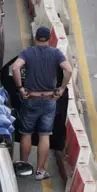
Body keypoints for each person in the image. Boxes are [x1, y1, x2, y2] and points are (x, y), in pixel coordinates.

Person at [11, 26, 73, 181]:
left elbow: (15, 67)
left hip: (31, 99)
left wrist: (20, 88)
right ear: (50, 38)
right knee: (45, 135)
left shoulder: (28, 52)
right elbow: (68, 70)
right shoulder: (56, 53)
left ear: (36, 38)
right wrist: (62, 88)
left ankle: (23, 166)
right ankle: (40, 171)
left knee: (26, 133)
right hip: (49, 100)